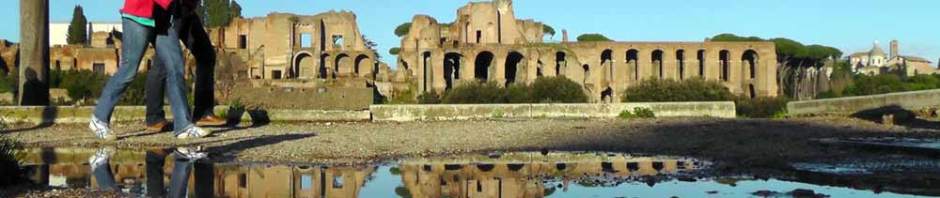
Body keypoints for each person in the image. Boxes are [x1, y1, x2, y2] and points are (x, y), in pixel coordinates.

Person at [89, 0, 210, 140]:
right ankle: (99, 118)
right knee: (129, 70)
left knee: (175, 66)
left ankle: (183, 126)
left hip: (162, 19)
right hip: (138, 16)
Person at [145, 0, 226, 132]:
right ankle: (154, 118)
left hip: (186, 10)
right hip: (170, 9)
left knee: (206, 54)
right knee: (162, 62)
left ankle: (203, 112)